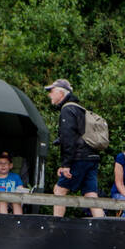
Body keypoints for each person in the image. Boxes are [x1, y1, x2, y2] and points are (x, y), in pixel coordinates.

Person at [46, 78, 105, 218]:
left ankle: (56, 226)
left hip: (79, 158)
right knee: (91, 195)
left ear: (61, 93)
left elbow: (68, 139)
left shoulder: (67, 110)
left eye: (52, 91)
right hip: (92, 157)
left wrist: (66, 165)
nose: (49, 95)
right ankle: (103, 225)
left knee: (59, 191)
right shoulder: (79, 109)